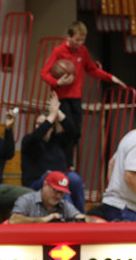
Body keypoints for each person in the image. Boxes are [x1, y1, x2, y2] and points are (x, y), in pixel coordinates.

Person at [40, 20, 127, 166]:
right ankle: (67, 163)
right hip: (61, 97)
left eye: (83, 40)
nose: (80, 42)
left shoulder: (83, 51)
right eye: (77, 39)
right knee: (71, 130)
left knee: (76, 133)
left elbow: (92, 69)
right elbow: (44, 73)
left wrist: (111, 77)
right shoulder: (58, 51)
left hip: (76, 97)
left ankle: (63, 160)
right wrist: (57, 82)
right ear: (69, 36)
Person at [21, 91, 85, 212]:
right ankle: (69, 219)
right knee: (58, 181)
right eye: (37, 124)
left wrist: (58, 112)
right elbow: (37, 135)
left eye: (43, 124)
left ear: (52, 128)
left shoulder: (58, 140)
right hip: (37, 183)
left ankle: (81, 216)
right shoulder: (29, 140)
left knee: (74, 178)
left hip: (59, 180)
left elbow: (75, 133)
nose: (40, 127)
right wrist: (51, 116)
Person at [10, 171, 95, 223]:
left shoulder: (63, 204)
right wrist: (43, 220)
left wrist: (84, 219)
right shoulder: (26, 199)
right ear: (45, 185)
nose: (59, 196)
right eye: (56, 191)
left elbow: (80, 216)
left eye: (62, 193)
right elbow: (14, 220)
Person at [101, 129, 136, 221]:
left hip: (117, 206)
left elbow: (111, 163)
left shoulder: (131, 135)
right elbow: (130, 176)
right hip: (126, 209)